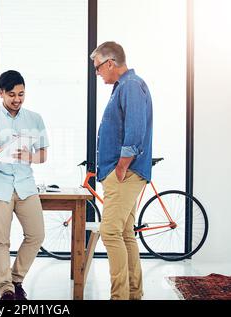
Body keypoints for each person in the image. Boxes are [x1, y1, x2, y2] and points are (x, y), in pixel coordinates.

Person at [0, 70, 49, 300]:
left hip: (25, 185)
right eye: (12, 95)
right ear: (1, 93)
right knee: (0, 239)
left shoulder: (35, 118)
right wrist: (0, 151)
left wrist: (30, 157)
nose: (17, 99)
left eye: (21, 94)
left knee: (36, 234)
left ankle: (16, 280)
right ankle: (6, 289)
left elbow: (43, 155)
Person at [90, 42, 153, 300]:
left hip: (125, 175)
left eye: (97, 68)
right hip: (121, 174)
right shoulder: (123, 87)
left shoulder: (130, 86)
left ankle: (119, 297)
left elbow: (135, 132)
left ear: (110, 63)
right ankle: (133, 294)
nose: (97, 73)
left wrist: (121, 166)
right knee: (125, 233)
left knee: (110, 232)